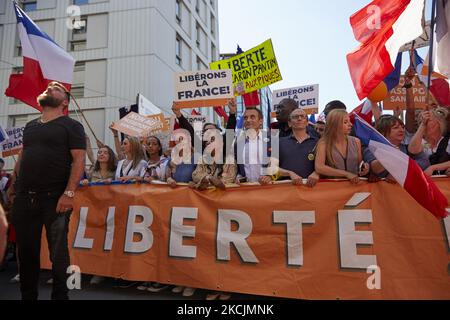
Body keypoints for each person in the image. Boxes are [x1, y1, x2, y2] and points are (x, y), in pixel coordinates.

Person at [10, 81, 86, 300]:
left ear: (64, 102)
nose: (49, 88)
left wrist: (69, 193)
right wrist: (14, 184)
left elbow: (79, 160)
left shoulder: (72, 126)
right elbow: (24, 156)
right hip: (25, 198)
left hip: (55, 199)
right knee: (26, 254)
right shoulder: (31, 125)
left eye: (56, 88)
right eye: (48, 88)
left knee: (58, 254)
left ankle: (60, 297)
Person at [365, 115, 430, 182]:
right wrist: (392, 155)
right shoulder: (372, 148)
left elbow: (424, 163)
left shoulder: (407, 148)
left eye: (402, 127)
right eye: (395, 128)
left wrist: (399, 173)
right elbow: (374, 168)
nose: (401, 130)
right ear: (382, 132)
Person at [315, 109, 369, 183]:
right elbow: (319, 167)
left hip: (355, 186)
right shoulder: (323, 143)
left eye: (349, 121)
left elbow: (359, 164)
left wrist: (365, 167)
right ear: (334, 124)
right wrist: (346, 174)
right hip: (334, 189)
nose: (350, 124)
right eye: (345, 122)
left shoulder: (356, 141)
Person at [277, 109, 320, 187]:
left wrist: (317, 173)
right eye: (295, 117)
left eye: (303, 116)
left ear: (307, 122)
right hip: (285, 190)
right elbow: (272, 168)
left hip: (311, 189)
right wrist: (289, 173)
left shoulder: (318, 143)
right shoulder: (278, 142)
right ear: (289, 123)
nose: (299, 118)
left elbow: (326, 165)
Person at [235, 108, 272, 185]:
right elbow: (238, 168)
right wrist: (238, 177)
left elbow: (279, 164)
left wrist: (270, 176)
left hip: (268, 188)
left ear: (260, 121)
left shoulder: (271, 140)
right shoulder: (237, 142)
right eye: (245, 118)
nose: (248, 120)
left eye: (252, 117)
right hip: (246, 190)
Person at [409, 108, 450, 176]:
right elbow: (412, 150)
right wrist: (423, 124)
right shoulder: (423, 143)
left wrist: (433, 168)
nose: (425, 122)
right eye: (421, 121)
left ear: (438, 123)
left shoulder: (447, 142)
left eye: (428, 120)